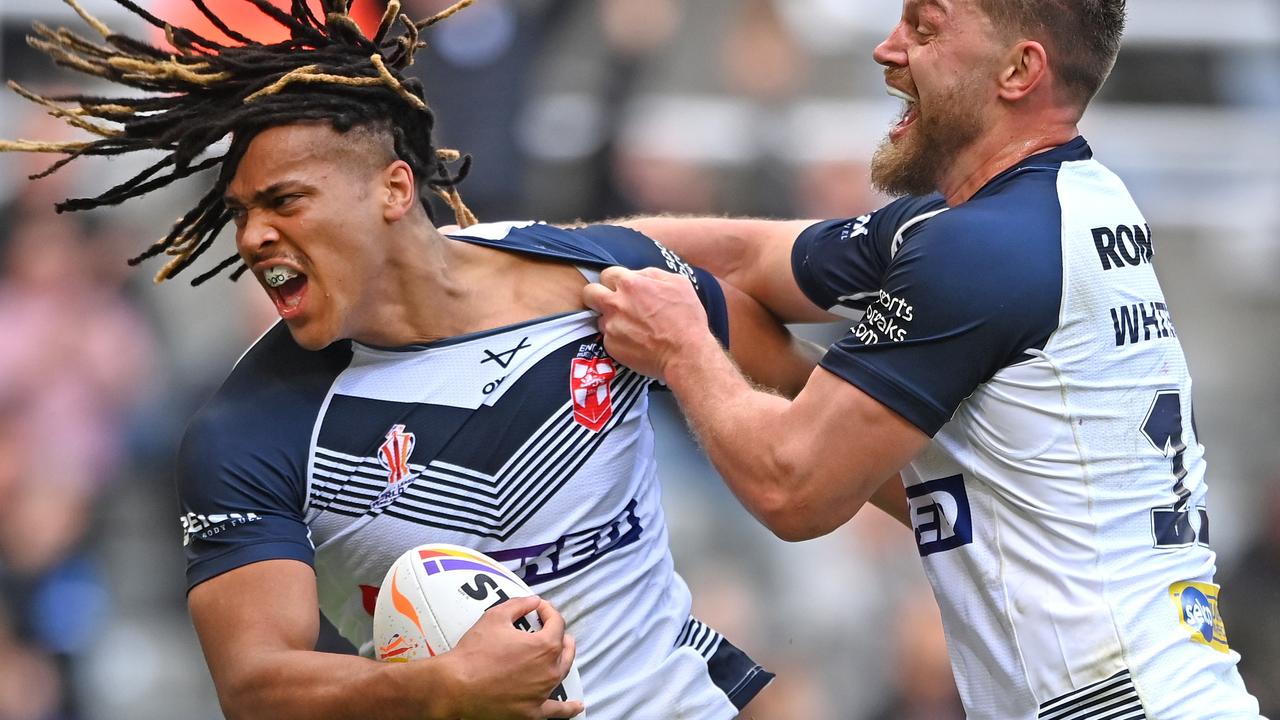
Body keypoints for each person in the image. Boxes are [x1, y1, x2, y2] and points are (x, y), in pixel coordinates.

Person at [0, 2, 814, 718]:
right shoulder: (247, 427)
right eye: (242, 214)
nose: (252, 237)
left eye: (283, 202)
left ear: (394, 190)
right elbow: (254, 685)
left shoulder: (589, 281)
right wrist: (443, 688)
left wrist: (921, 485)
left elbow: (797, 361)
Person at [581, 1, 1267, 718]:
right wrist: (533, 247)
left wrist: (683, 345)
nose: (887, 49)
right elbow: (749, 256)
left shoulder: (982, 250)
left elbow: (792, 488)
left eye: (925, 28)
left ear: (1020, 69)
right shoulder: (1070, 207)